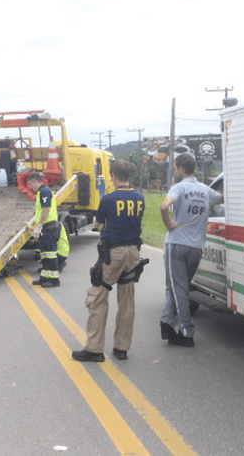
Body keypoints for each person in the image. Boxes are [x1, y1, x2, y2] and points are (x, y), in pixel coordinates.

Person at [72, 161, 146, 362]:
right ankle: (122, 348)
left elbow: (99, 225)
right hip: (133, 252)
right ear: (129, 176)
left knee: (99, 294)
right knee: (127, 299)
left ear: (113, 176)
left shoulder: (108, 199)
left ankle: (94, 349)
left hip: (113, 252)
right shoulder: (140, 198)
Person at [159, 153, 222, 347]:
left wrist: (169, 224)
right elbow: (221, 198)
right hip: (196, 247)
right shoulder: (204, 189)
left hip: (177, 244)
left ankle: (186, 331)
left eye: (176, 168)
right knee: (178, 286)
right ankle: (167, 323)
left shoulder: (179, 187)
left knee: (178, 289)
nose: (176, 171)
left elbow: (164, 206)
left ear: (181, 169)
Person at [27, 172, 60, 287]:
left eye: (31, 184)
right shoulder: (42, 192)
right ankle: (44, 278)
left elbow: (46, 209)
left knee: (50, 254)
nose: (30, 186)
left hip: (49, 226)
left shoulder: (45, 192)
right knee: (45, 254)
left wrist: (40, 225)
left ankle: (54, 280)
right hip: (46, 227)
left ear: (36, 182)